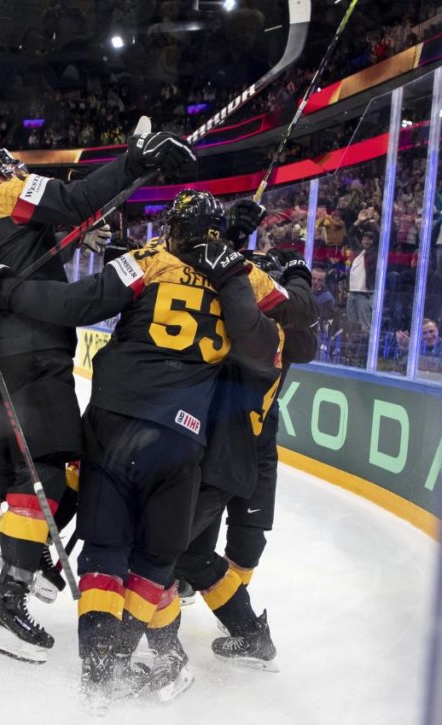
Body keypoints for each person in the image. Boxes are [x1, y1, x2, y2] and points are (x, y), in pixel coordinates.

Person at [0, 189, 277, 710]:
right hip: (181, 439)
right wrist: (246, 269)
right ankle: (125, 656)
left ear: (175, 231)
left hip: (114, 425)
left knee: (105, 550)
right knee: (157, 560)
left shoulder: (152, 259)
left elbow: (74, 303)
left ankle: (97, 671)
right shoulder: (242, 277)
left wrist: (8, 288)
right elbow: (290, 340)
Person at [0, 135, 197, 664]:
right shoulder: (10, 192)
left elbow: (60, 226)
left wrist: (90, 233)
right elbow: (78, 198)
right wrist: (134, 160)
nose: (18, 170)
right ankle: (9, 599)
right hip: (36, 355)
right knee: (52, 469)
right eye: (10, 167)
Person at [152, 213, 318, 695]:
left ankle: (157, 650)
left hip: (223, 455)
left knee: (164, 548)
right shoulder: (282, 334)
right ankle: (251, 637)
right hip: (230, 454)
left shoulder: (258, 334)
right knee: (196, 558)